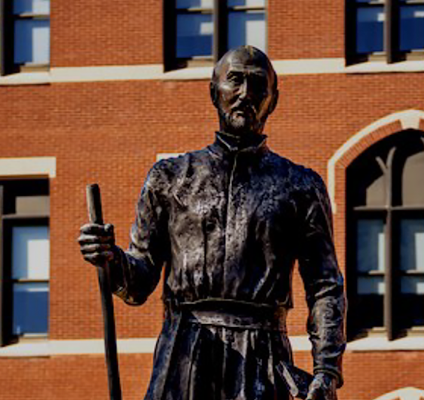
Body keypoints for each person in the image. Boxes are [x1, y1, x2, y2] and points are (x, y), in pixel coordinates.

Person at [78, 46, 346, 400]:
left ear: (273, 100)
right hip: (184, 354)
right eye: (234, 80)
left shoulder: (300, 186)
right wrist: (110, 259)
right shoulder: (170, 178)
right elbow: (139, 282)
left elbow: (325, 285)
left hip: (263, 354)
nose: (246, 94)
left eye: (257, 84)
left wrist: (326, 371)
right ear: (213, 91)